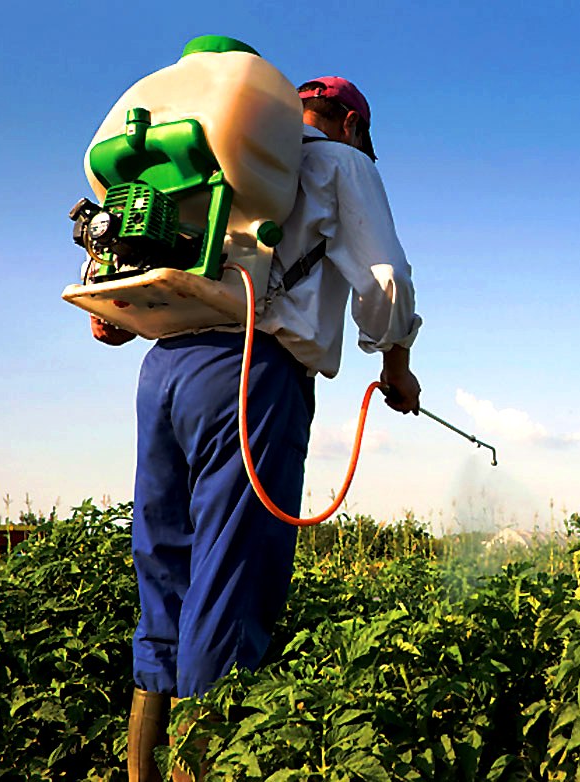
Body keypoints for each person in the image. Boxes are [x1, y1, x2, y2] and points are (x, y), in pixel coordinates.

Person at [94, 76, 422, 781]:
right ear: (354, 125)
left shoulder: (217, 153)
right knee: (230, 577)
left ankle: (143, 769)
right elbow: (383, 279)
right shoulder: (341, 161)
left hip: (164, 369)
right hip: (250, 371)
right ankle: (199, 769)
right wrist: (396, 364)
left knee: (165, 563)